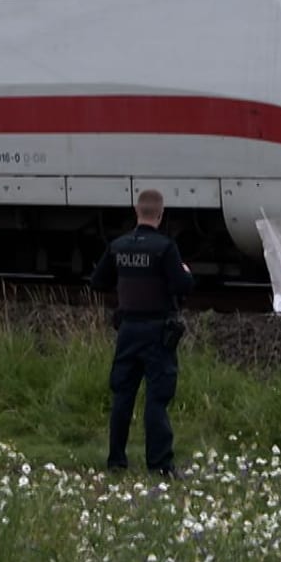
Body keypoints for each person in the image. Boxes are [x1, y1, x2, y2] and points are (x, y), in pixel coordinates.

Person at [89, 189, 194, 479]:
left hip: (127, 331)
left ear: (137, 212)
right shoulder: (165, 248)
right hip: (158, 332)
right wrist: (186, 272)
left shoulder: (118, 246)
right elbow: (182, 285)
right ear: (160, 214)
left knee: (123, 395)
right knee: (157, 398)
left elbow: (98, 281)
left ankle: (116, 461)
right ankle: (159, 463)